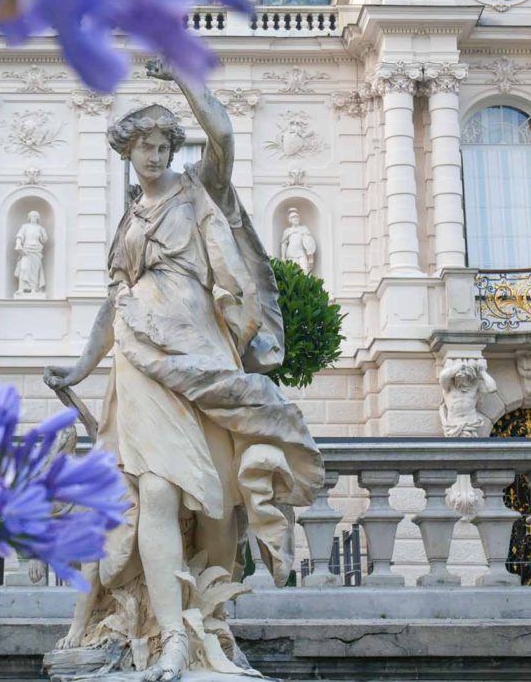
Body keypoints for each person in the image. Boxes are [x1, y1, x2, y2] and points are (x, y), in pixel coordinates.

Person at [44, 60, 323, 681]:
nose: (154, 153)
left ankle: (208, 625)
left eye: (164, 143)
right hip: (140, 366)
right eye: (144, 144)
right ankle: (171, 634)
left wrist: (182, 77)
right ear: (128, 151)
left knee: (220, 504)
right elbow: (113, 304)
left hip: (202, 360)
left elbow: (221, 135)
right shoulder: (128, 224)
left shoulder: (199, 190)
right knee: (158, 493)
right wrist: (81, 366)